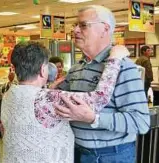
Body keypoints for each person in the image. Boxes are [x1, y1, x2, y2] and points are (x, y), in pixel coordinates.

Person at [1, 41, 128, 163]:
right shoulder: (48, 99)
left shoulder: (9, 95)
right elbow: (99, 98)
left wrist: (49, 88)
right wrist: (114, 59)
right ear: (42, 70)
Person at [55, 5, 150, 163]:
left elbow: (140, 122)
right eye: (75, 25)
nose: (76, 30)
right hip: (76, 151)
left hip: (110, 155)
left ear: (105, 29)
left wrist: (94, 118)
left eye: (83, 25)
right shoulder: (75, 69)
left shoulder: (124, 68)